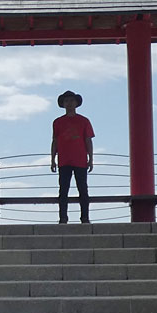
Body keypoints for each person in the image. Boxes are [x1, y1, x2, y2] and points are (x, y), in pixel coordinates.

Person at [50, 90, 94, 224]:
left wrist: (91, 158)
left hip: (80, 160)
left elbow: (88, 140)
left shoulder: (84, 121)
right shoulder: (57, 122)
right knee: (63, 190)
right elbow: (55, 141)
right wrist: (52, 159)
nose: (69, 103)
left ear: (76, 103)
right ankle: (63, 218)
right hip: (64, 161)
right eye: (66, 101)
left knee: (83, 190)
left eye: (71, 101)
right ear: (63, 104)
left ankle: (84, 217)